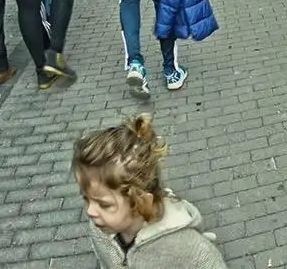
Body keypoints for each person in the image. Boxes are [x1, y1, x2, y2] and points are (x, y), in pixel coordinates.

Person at [73, 114, 228, 268]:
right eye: (86, 198)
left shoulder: (185, 246)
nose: (90, 211)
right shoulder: (100, 227)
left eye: (104, 204)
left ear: (141, 202)